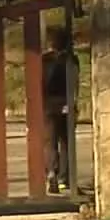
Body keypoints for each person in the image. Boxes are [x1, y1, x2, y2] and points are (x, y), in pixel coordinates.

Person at [41, 27, 79, 194]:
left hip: (47, 105)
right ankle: (64, 178)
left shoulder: (43, 60)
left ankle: (51, 174)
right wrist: (72, 102)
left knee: (50, 141)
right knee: (66, 142)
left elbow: (38, 83)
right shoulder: (71, 60)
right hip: (65, 103)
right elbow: (74, 83)